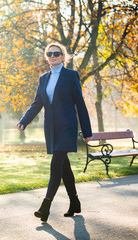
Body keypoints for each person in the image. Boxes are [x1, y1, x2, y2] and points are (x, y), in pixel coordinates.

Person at [17, 42, 92, 222]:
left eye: (56, 54)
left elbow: (80, 104)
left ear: (63, 57)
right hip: (51, 128)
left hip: (67, 127)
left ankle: (45, 207)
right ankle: (75, 202)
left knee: (55, 165)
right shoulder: (44, 78)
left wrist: (87, 130)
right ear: (46, 56)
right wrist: (24, 121)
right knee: (64, 167)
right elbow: (37, 103)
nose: (52, 56)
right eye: (49, 54)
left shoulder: (71, 76)